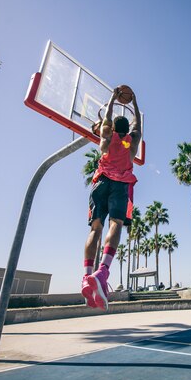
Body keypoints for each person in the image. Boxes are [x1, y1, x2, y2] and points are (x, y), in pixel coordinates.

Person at [82, 86, 142, 310]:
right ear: (128, 131)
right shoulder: (132, 143)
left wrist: (112, 99)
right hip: (120, 185)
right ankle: (103, 272)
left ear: (112, 128)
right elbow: (138, 125)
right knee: (116, 224)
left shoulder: (106, 139)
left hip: (101, 183)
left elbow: (106, 117)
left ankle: (86, 276)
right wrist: (133, 102)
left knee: (95, 229)